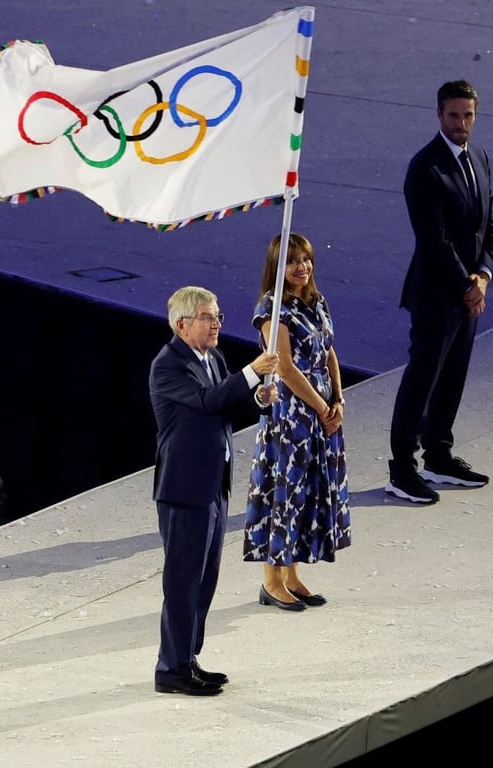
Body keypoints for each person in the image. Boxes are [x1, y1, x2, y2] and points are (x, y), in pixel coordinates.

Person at [149, 286, 278, 696]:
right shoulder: (168, 366)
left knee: (205, 579)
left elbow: (227, 403)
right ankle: (171, 668)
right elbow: (206, 401)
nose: (218, 323)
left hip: (213, 486)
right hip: (185, 489)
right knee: (183, 581)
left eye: (219, 316)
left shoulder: (213, 357)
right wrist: (253, 372)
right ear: (183, 324)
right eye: (209, 317)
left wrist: (257, 396)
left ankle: (188, 658)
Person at [386, 80, 493, 505]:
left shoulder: (481, 159)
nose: (461, 124)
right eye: (454, 116)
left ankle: (438, 455)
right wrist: (466, 285)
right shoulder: (425, 167)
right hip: (436, 294)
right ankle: (402, 468)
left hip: (469, 292)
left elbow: (488, 226)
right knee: (422, 380)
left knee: (453, 376)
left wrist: (483, 276)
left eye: (468, 115)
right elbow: (433, 240)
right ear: (439, 115)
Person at [244, 234, 351, 611]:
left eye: (306, 259)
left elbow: (329, 350)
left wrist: (338, 397)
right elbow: (285, 368)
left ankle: (291, 575)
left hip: (322, 410)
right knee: (284, 494)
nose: (302, 267)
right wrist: (323, 408)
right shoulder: (271, 310)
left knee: (307, 492)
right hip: (292, 417)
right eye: (292, 262)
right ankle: (271, 581)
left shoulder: (315, 301)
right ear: (278, 267)